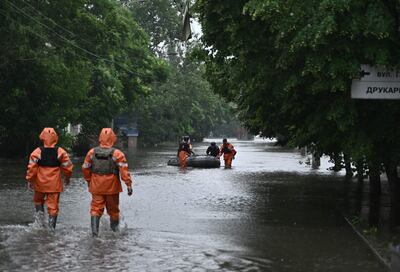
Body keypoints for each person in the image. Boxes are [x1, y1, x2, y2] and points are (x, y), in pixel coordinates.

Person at [82, 128, 133, 237]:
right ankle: (115, 233)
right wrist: (128, 185)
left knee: (95, 209)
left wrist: (88, 181)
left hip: (96, 186)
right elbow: (124, 172)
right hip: (112, 188)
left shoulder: (91, 152)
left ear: (100, 138)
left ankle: (94, 235)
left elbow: (85, 168)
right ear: (113, 139)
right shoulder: (117, 154)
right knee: (113, 210)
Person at [26, 128, 73, 229]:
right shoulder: (61, 152)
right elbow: (68, 167)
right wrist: (67, 178)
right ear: (55, 138)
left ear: (42, 138)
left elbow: (31, 168)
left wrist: (29, 180)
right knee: (53, 207)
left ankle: (40, 224)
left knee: (38, 201)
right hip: (54, 185)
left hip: (40, 183)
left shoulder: (37, 152)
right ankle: (51, 229)